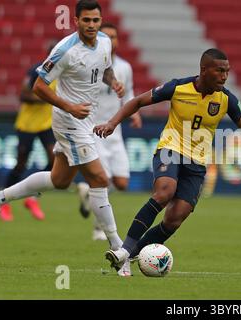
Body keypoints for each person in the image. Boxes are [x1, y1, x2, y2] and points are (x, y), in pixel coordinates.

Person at [94, 48, 241, 275]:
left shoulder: (226, 99)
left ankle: (130, 256)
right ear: (204, 70)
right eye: (219, 71)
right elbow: (137, 102)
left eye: (227, 71)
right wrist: (112, 124)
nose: (224, 76)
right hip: (170, 149)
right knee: (165, 191)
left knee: (174, 219)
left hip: (197, 162)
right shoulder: (178, 87)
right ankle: (123, 250)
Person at [0, 0, 125, 253]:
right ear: (76, 21)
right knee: (99, 178)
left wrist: (114, 81)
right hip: (69, 121)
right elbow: (38, 87)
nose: (92, 25)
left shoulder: (105, 41)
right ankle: (120, 248)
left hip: (87, 119)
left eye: (96, 20)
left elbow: (104, 68)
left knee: (59, 180)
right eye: (86, 20)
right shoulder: (65, 50)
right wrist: (69, 107)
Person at [75, 22, 142, 244]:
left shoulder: (125, 67)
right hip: (93, 130)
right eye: (108, 36)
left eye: (115, 37)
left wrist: (134, 113)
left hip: (115, 131)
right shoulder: (90, 63)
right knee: (102, 181)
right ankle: (98, 228)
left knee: (121, 183)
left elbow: (130, 92)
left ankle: (87, 195)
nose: (112, 41)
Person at [0, 42, 57, 222]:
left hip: (46, 124)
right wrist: (44, 98)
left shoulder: (64, 74)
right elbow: (23, 95)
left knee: (55, 162)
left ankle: (32, 198)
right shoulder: (36, 72)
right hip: (27, 124)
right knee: (21, 163)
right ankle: (3, 202)